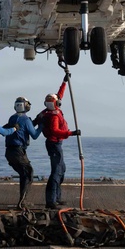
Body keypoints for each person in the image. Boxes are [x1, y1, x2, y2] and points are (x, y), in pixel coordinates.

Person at [34, 72, 80, 209]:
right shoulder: (53, 116)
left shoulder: (46, 111)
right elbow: (54, 131)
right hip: (54, 144)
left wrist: (64, 82)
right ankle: (51, 200)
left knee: (62, 169)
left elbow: (60, 94)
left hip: (55, 144)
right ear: (56, 103)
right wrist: (71, 133)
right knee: (56, 172)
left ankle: (57, 197)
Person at [5, 96, 42, 208]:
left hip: (9, 152)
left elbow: (22, 128)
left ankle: (22, 201)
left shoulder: (12, 118)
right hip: (18, 151)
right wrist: (41, 126)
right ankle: (22, 203)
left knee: (23, 174)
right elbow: (34, 135)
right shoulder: (26, 120)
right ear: (26, 106)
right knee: (28, 173)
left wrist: (34, 121)